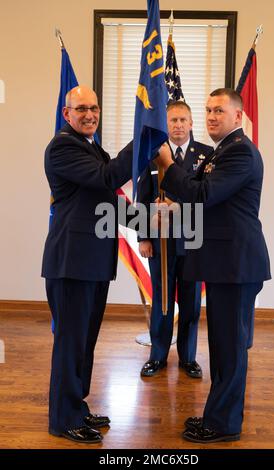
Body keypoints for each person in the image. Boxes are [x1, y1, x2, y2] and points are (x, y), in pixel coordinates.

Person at [155, 88, 271, 443]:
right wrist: (175, 209)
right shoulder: (222, 152)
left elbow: (202, 194)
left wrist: (167, 166)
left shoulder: (239, 153)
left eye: (219, 110)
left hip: (236, 264)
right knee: (222, 346)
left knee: (231, 348)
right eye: (207, 110)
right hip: (225, 264)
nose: (211, 116)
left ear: (238, 116)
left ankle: (224, 425)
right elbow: (209, 199)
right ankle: (215, 415)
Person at [41, 85, 133, 444]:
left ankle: (76, 407)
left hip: (92, 263)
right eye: (81, 109)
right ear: (67, 114)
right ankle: (63, 419)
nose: (90, 114)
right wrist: (145, 139)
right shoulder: (63, 146)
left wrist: (157, 226)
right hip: (72, 264)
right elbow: (107, 178)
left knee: (84, 343)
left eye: (94, 108)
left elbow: (107, 202)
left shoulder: (91, 147)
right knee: (70, 343)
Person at [138, 101, 212, 378]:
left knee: (192, 301)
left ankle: (188, 358)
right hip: (161, 243)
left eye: (183, 120)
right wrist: (143, 237)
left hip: (193, 242)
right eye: (173, 121)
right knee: (162, 300)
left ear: (192, 123)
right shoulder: (154, 154)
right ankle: (157, 355)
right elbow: (142, 199)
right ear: (165, 125)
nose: (178, 125)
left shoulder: (206, 156)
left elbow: (210, 199)